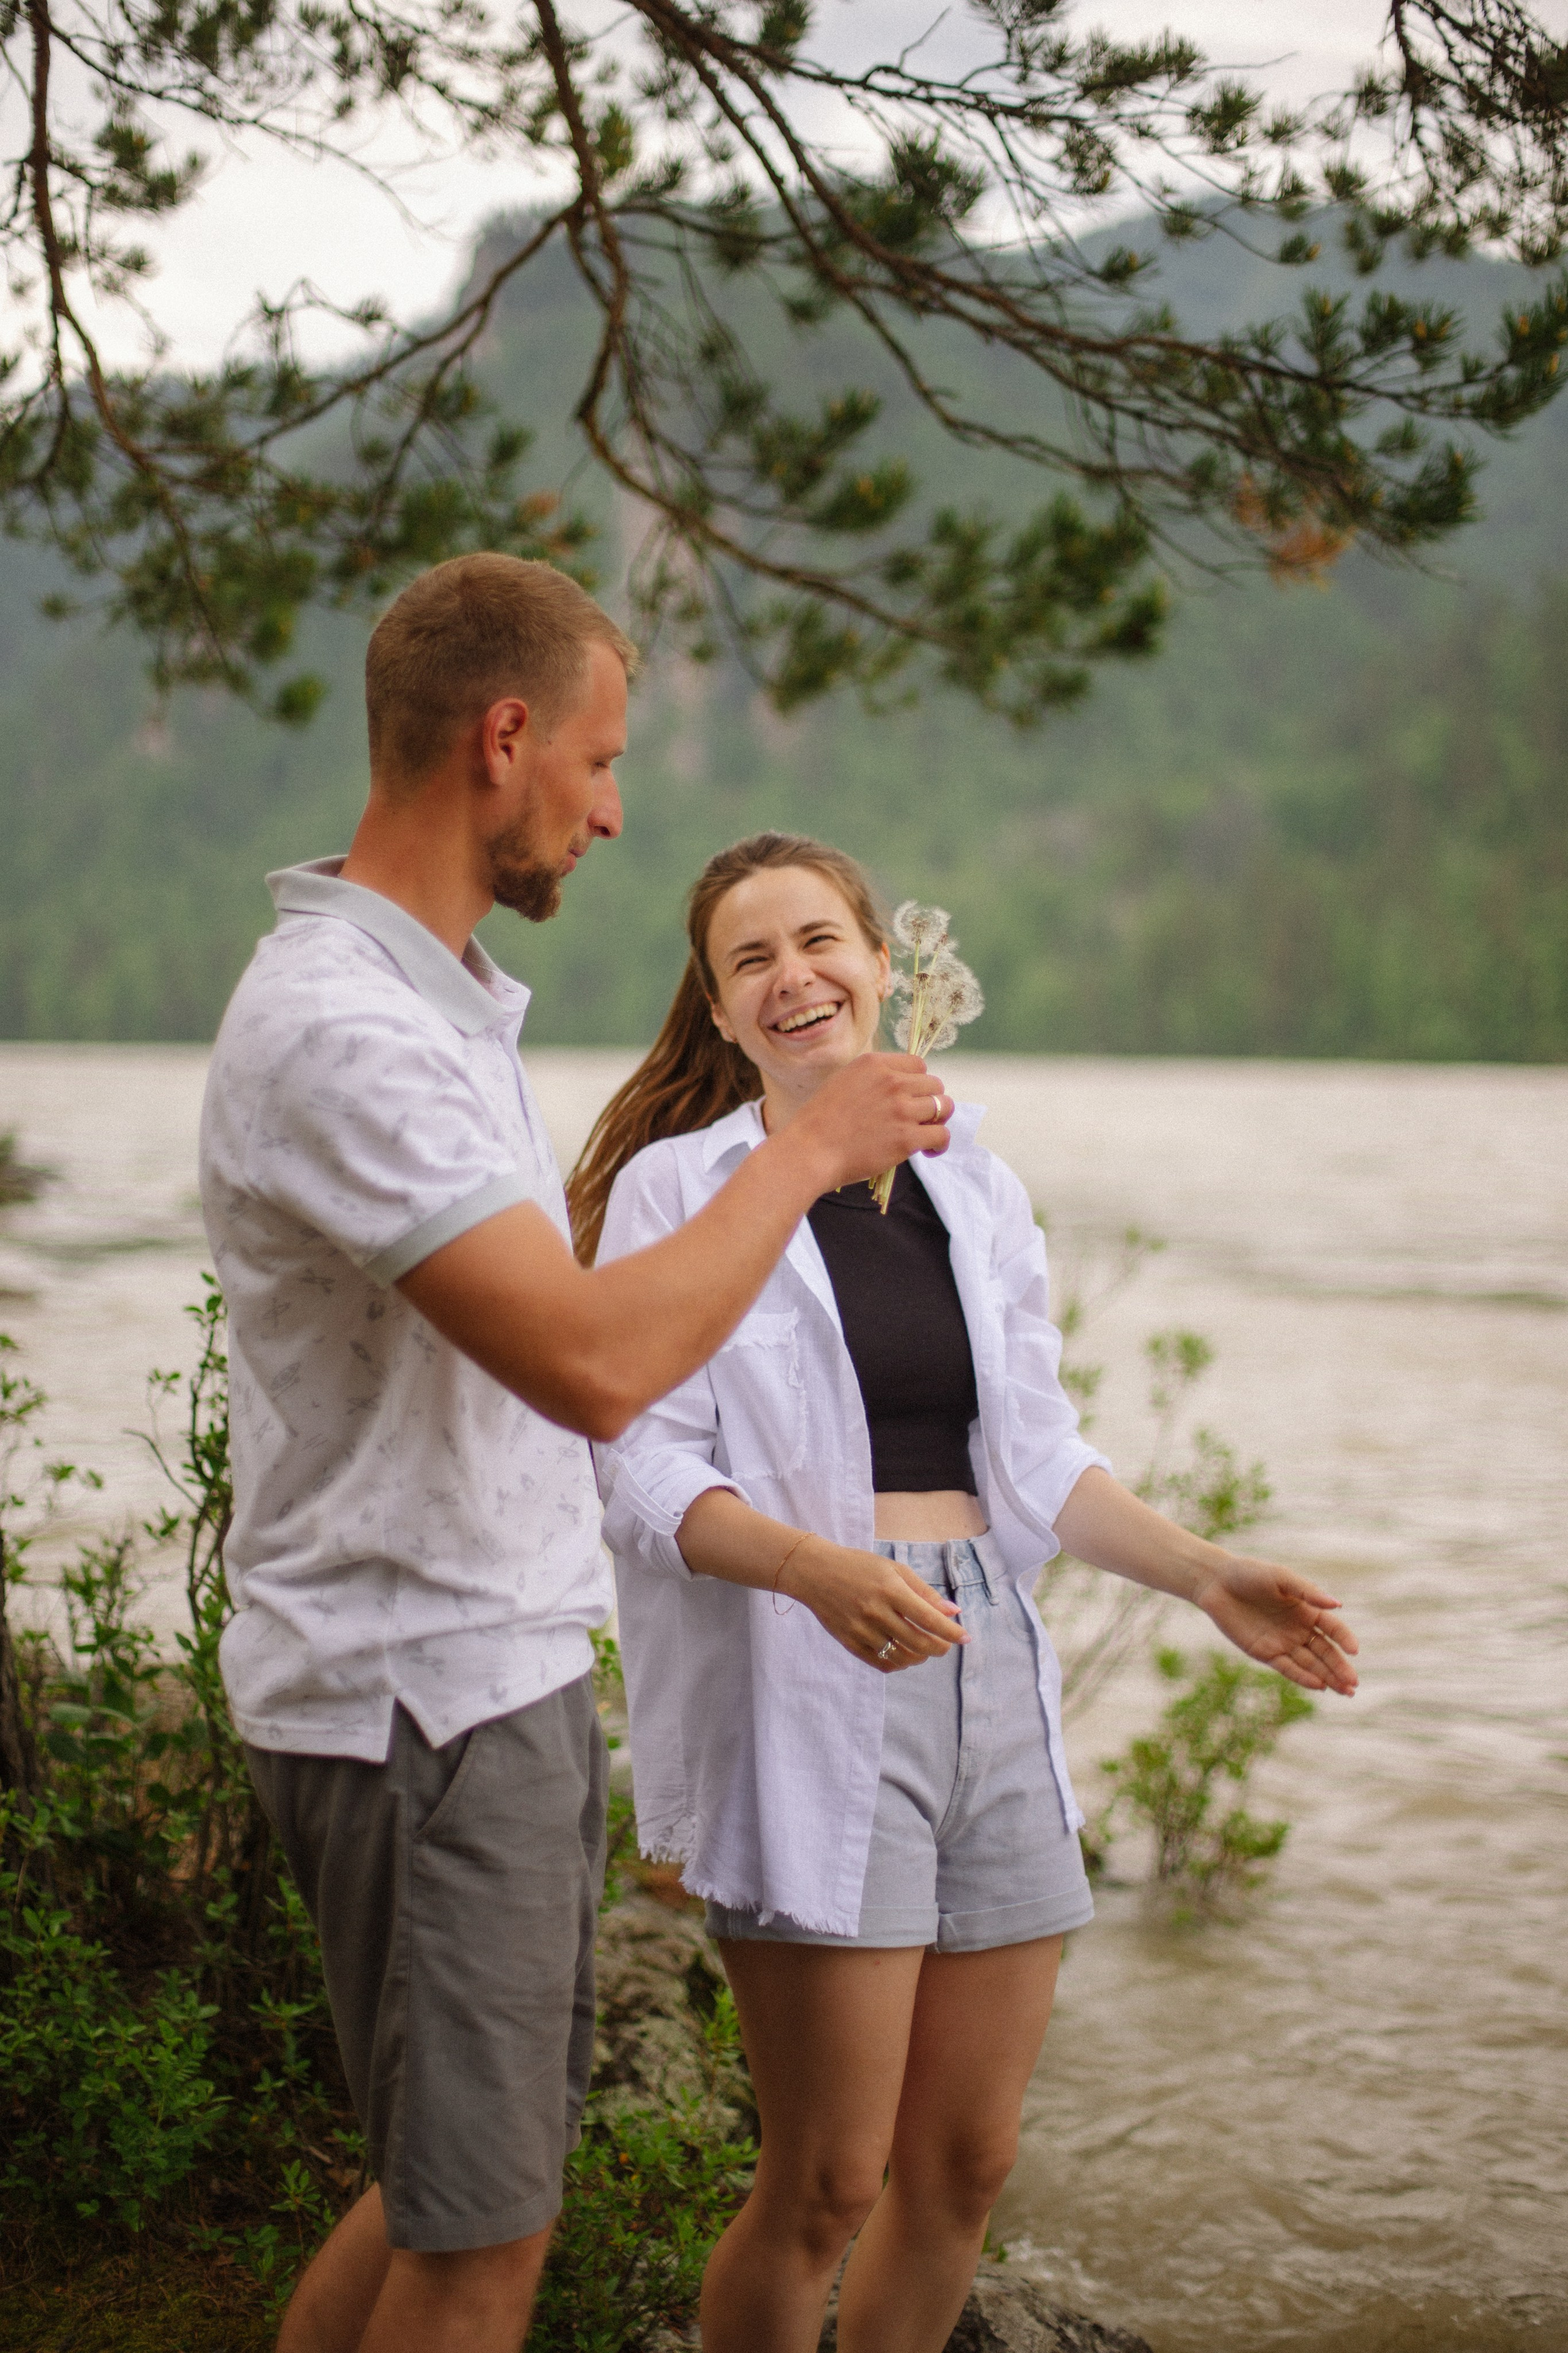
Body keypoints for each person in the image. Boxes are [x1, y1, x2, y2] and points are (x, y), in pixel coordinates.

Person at [198, 563, 954, 2353]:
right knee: (480, 2246)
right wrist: (805, 1146)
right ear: (504, 737)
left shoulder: (437, 1003)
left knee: (450, 2193)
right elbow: (596, 1367)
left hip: (492, 1675)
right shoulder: (345, 1028)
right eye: (601, 763)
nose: (613, 811)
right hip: (415, 1696)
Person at [571, 831, 1361, 2353]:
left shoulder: (973, 1186)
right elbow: (639, 1470)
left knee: (964, 2165)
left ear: (883, 966)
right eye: (750, 959)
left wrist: (1207, 1574)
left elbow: (1039, 1460)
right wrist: (809, 1567)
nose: (792, 975)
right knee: (822, 2180)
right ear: (719, 1011)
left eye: (819, 941)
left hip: (989, 1655)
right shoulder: (681, 1188)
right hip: (805, 1663)